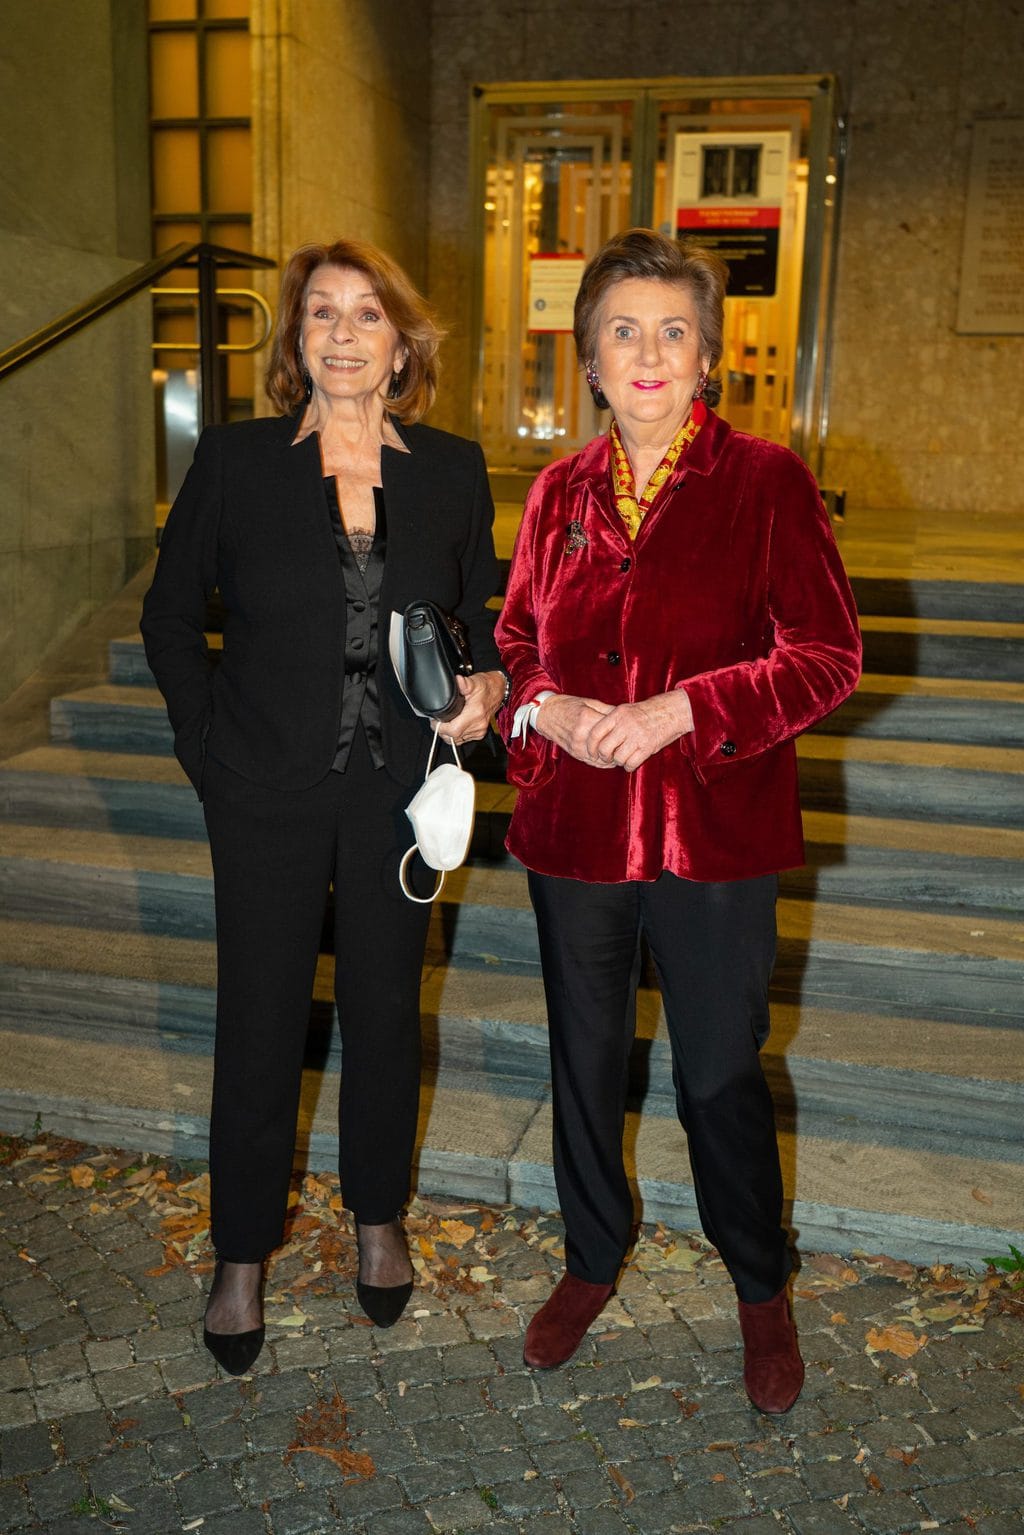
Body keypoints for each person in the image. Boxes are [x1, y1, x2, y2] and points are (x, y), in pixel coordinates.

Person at [494, 228, 861, 1413]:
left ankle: (758, 1283)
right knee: (583, 1063)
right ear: (589, 361)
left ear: (706, 356)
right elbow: (514, 640)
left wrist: (684, 709)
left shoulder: (766, 481)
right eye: (623, 331)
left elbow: (827, 655)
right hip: (576, 835)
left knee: (717, 1073)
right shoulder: (555, 493)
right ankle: (590, 1257)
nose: (647, 352)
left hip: (714, 835)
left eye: (671, 331)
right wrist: (544, 708)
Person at [141, 238, 507, 1374]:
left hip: (400, 788)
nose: (343, 333)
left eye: (367, 314)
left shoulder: (453, 469)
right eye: (321, 314)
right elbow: (168, 616)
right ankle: (241, 1249)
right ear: (297, 340)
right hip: (262, 785)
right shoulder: (236, 460)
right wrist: (209, 752)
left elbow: (488, 613)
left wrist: (490, 686)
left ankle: (378, 1216)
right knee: (258, 1015)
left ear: (403, 345)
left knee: (387, 1009)